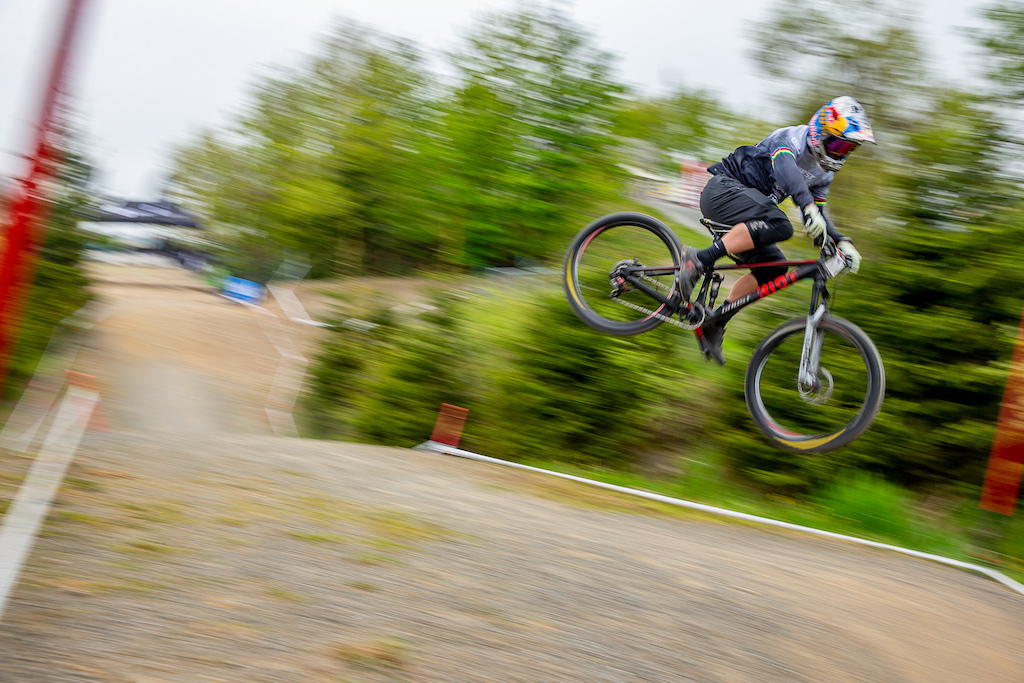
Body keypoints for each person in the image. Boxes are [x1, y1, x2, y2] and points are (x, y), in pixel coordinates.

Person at [679, 96, 874, 366]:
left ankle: (715, 321)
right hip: (722, 191)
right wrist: (806, 206)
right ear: (821, 130)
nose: (840, 152)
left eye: (848, 148)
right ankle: (699, 259)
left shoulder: (824, 174)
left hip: (749, 215)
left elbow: (820, 214)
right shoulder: (792, 138)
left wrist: (841, 241)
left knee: (774, 270)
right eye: (838, 143)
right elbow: (785, 171)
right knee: (781, 225)